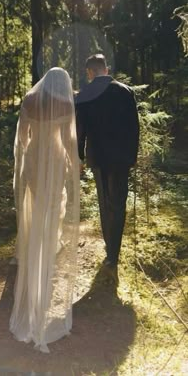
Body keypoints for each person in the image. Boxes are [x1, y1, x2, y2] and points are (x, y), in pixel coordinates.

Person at [10, 67, 80, 353]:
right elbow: (68, 141)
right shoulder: (65, 103)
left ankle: (33, 251)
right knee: (53, 213)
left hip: (33, 163)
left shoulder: (29, 99)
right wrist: (75, 166)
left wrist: (28, 154)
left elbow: (22, 139)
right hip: (52, 161)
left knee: (35, 210)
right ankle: (46, 255)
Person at [75, 54, 139, 285]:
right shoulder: (126, 91)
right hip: (122, 159)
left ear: (90, 71)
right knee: (119, 204)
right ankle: (114, 254)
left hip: (99, 158)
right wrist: (132, 157)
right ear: (106, 68)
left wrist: (79, 155)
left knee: (105, 205)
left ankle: (110, 251)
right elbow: (134, 127)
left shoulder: (85, 95)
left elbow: (80, 130)